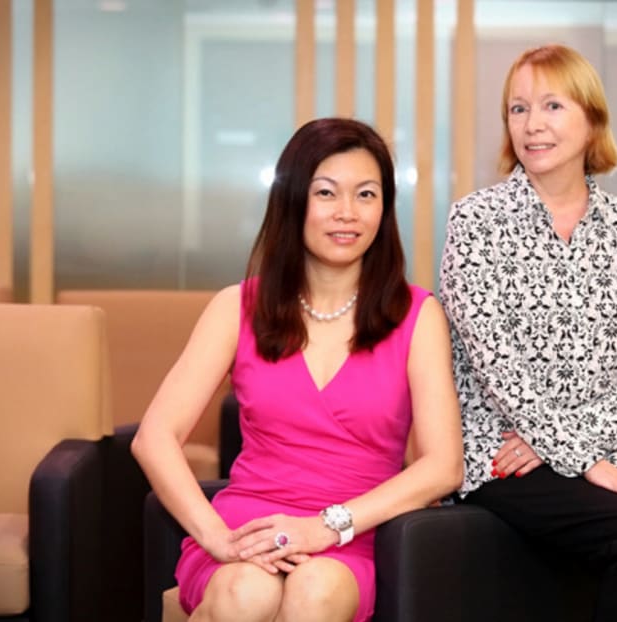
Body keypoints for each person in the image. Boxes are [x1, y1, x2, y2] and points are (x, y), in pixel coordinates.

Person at [132, 117, 463, 622]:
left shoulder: (418, 316)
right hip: (249, 528)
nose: (347, 213)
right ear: (293, 202)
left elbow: (443, 466)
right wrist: (216, 538)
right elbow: (154, 437)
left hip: (357, 532)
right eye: (326, 193)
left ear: (385, 208)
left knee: (316, 588)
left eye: (367, 195)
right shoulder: (236, 307)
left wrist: (327, 527)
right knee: (246, 591)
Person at [439, 44, 617, 621]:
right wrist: (583, 459)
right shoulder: (475, 221)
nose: (532, 124)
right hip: (506, 458)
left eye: (552, 105)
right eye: (517, 109)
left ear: (592, 119)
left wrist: (578, 443)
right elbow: (498, 371)